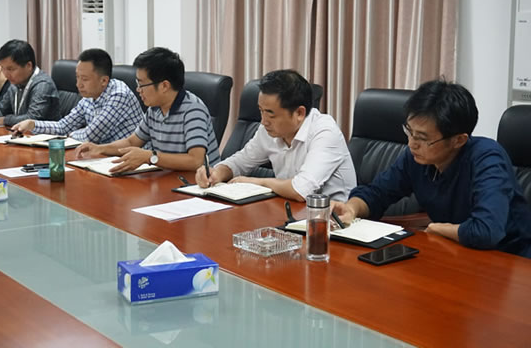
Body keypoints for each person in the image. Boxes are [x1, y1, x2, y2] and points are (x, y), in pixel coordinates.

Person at [332, 79, 531, 258]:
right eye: (409, 131)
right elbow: (378, 193)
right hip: (454, 252)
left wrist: (438, 229)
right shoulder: (416, 157)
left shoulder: (487, 159)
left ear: (458, 140)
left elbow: (487, 231)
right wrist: (352, 208)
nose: (411, 143)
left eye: (422, 138)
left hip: (510, 261)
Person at [195, 69, 356, 202]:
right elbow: (240, 162)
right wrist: (217, 173)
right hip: (289, 210)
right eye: (261, 111)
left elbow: (301, 190)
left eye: (271, 114)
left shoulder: (325, 131)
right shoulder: (268, 129)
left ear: (299, 113)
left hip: (334, 220)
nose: (263, 121)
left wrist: (255, 183)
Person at [75, 47, 220, 174]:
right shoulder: (154, 109)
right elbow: (132, 141)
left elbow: (195, 161)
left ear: (164, 86)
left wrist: (150, 157)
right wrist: (100, 149)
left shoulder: (193, 110)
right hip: (166, 178)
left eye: (142, 84)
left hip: (197, 185)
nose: (138, 90)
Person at [11, 48, 143, 143]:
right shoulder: (89, 97)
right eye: (77, 77)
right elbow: (63, 126)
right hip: (102, 156)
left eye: (84, 79)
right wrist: (32, 124)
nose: (78, 84)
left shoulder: (119, 95)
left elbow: (92, 135)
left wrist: (70, 134)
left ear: (104, 80)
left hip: (131, 161)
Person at [0, 39, 60, 127]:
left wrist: (4, 120)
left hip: (44, 134)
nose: (6, 74)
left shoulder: (43, 85)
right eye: (3, 68)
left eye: (10, 69)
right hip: (21, 132)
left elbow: (32, 118)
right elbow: (2, 109)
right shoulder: (15, 83)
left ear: (28, 66)